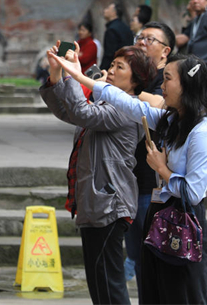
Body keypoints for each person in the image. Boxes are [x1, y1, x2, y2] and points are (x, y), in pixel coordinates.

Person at [50, 51, 207, 305]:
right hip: (160, 213)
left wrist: (162, 169)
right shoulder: (171, 120)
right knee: (154, 291)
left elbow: (193, 193)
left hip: (186, 219)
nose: (161, 86)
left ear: (187, 85)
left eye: (168, 79)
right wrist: (77, 76)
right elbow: (129, 104)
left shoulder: (203, 132)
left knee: (182, 294)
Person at [41, 42, 155, 304]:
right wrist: (57, 73)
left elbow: (81, 111)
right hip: (97, 203)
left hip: (109, 204)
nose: (111, 70)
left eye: (120, 67)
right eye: (112, 64)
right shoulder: (106, 102)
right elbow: (68, 111)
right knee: (99, 284)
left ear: (136, 79)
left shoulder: (127, 107)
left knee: (109, 286)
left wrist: (74, 72)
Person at [123, 21, 175, 288]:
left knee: (149, 257)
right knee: (136, 252)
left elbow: (161, 104)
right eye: (139, 37)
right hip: (129, 178)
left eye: (149, 40)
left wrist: (126, 90)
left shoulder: (168, 77)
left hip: (151, 181)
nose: (141, 42)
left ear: (165, 51)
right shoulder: (138, 76)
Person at [101, 1, 134, 71]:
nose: (104, 10)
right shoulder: (125, 27)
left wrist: (102, 69)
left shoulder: (112, 29)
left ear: (114, 13)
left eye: (107, 8)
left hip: (114, 68)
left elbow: (109, 54)